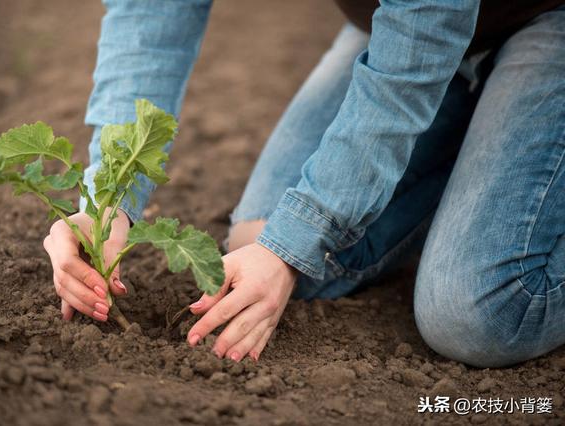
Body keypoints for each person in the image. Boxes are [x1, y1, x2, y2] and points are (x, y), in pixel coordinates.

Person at [42, 0, 565, 368]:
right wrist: (107, 200)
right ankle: (486, 141)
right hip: (398, 29)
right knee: (259, 244)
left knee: (481, 313)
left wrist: (294, 244)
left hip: (527, 21)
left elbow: (414, 62)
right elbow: (150, 17)